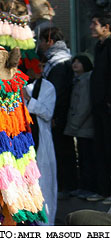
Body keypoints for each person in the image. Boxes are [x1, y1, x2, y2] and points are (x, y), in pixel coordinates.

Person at [37, 26, 76, 198]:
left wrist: (53, 114)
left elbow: (57, 91)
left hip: (60, 112)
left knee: (63, 149)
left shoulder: (59, 62)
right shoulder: (59, 59)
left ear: (50, 41)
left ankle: (67, 186)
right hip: (61, 111)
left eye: (42, 41)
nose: (40, 45)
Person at [22, 64, 57, 225]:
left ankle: (45, 223)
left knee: (44, 182)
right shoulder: (19, 84)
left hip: (40, 139)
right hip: (23, 140)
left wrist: (29, 99)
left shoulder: (47, 86)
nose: (38, 69)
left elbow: (47, 113)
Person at [65, 55, 97, 200]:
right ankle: (83, 187)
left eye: (79, 62)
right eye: (74, 61)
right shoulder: (77, 80)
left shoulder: (86, 80)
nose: (75, 64)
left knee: (88, 158)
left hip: (85, 127)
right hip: (80, 127)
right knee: (84, 158)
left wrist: (74, 125)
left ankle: (88, 187)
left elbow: (84, 105)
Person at [89, 12, 111, 204]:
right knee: (101, 148)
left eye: (94, 23)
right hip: (98, 106)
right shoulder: (99, 46)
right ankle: (103, 190)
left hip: (108, 106)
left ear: (106, 27)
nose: (91, 27)